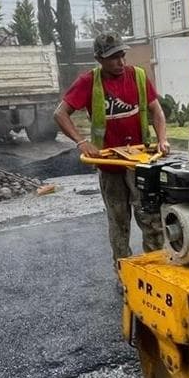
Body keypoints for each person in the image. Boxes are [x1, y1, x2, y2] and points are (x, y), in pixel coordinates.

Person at [54, 33, 170, 261]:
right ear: (99, 59)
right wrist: (81, 142)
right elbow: (60, 113)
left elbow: (157, 111)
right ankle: (122, 269)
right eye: (113, 58)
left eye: (122, 55)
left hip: (140, 163)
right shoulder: (89, 82)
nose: (121, 62)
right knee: (119, 221)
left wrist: (162, 138)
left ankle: (156, 266)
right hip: (110, 165)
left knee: (150, 218)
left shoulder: (138, 76)